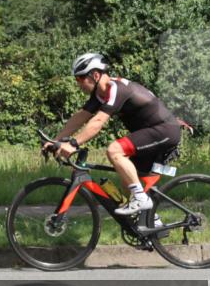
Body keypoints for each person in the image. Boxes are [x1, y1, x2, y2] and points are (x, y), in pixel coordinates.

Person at [44, 52, 181, 229]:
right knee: (128, 180)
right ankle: (151, 224)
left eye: (79, 78)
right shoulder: (100, 94)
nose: (78, 83)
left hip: (164, 130)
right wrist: (56, 140)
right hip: (151, 133)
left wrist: (73, 143)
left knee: (114, 150)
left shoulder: (116, 88)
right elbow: (81, 117)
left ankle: (141, 199)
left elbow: (98, 121)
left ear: (95, 75)